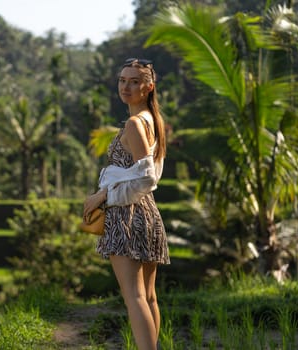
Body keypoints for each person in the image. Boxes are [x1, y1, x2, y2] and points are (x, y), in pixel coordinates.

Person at [83, 57, 169, 350]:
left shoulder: (135, 123)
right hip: (148, 214)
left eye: (134, 81)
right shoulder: (152, 120)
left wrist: (102, 195)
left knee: (134, 297)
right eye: (122, 80)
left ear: (148, 87)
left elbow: (146, 177)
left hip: (127, 216)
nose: (126, 86)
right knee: (148, 296)